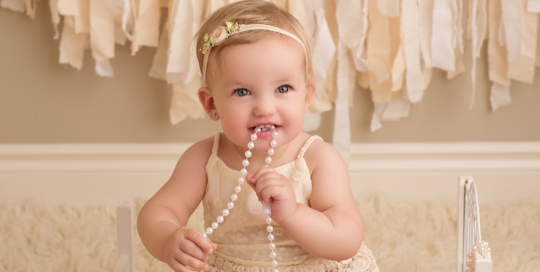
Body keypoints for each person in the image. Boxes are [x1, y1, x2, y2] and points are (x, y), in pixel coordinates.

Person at [137, 1, 379, 271]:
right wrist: (168, 239)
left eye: (283, 88)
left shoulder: (317, 159)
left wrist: (293, 214)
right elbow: (158, 212)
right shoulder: (204, 158)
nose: (264, 108)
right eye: (242, 92)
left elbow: (347, 239)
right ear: (212, 104)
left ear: (306, 97)